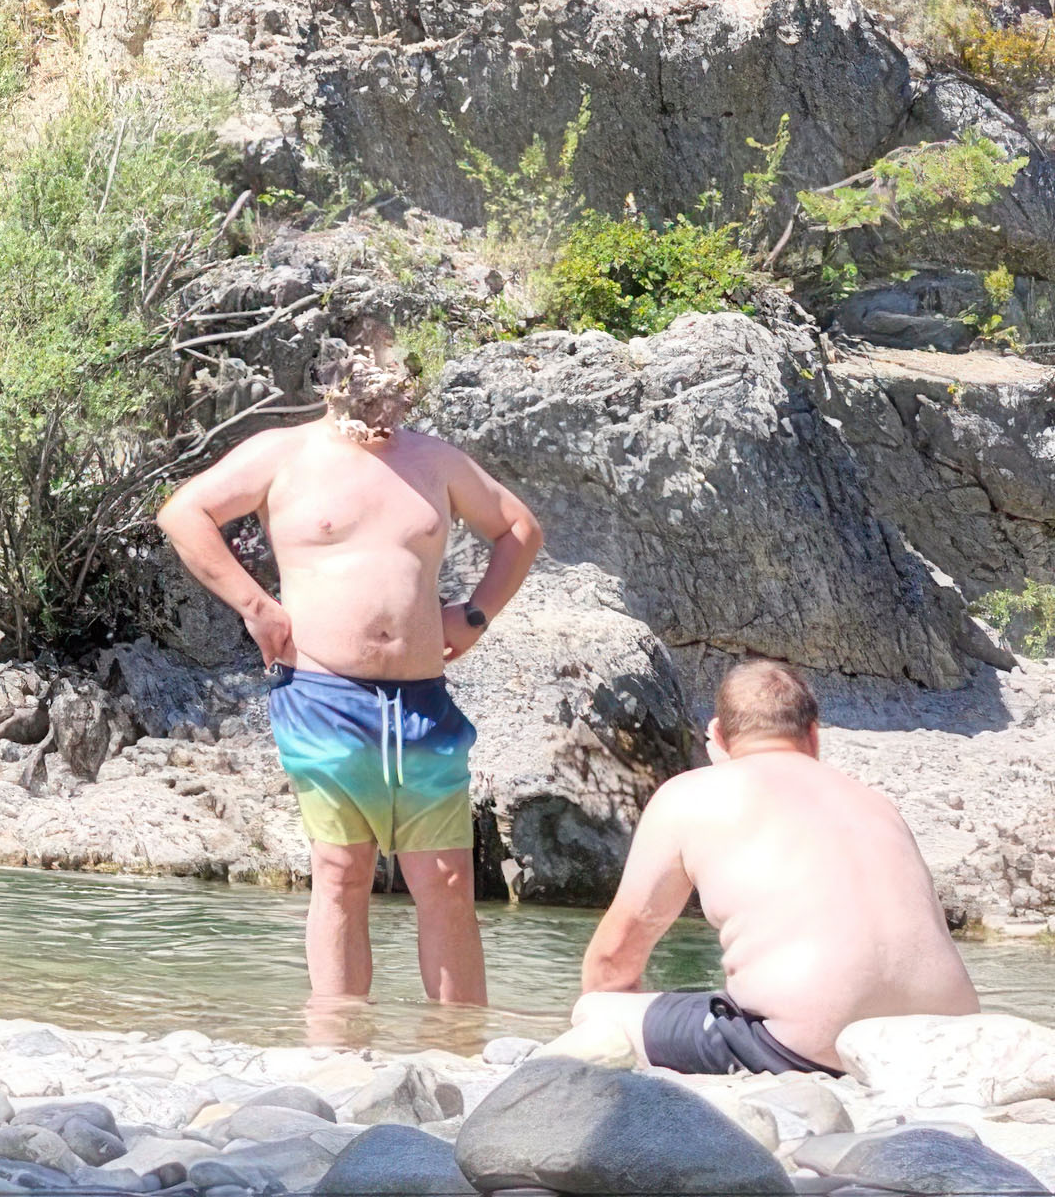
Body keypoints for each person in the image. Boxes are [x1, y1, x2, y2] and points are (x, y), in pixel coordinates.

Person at [158, 331, 543, 1020]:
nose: (384, 409)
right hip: (324, 695)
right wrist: (255, 606)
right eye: (372, 392)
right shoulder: (285, 453)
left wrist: (476, 614)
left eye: (396, 394)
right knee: (341, 873)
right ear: (336, 386)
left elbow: (518, 529)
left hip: (423, 699)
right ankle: (338, 1051)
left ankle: (461, 1051)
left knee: (448, 878)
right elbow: (183, 513)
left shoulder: (434, 459)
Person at [565, 658, 978, 1074]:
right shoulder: (875, 802)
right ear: (814, 736)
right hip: (950, 1043)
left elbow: (613, 961)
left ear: (718, 736)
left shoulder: (689, 795)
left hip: (803, 1047)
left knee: (597, 1011)